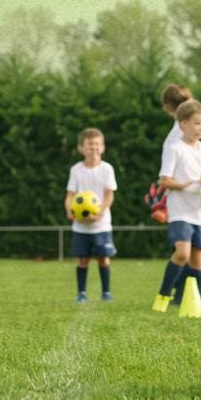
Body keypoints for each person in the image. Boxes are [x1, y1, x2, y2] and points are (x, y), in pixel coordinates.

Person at [152, 99, 201, 312]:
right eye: (197, 123)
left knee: (198, 257)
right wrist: (187, 185)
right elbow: (164, 180)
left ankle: (195, 301)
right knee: (182, 253)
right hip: (180, 210)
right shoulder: (174, 148)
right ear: (183, 124)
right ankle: (162, 296)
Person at [66, 128, 118, 302]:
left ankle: (106, 292)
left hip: (101, 224)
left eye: (97, 144)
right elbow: (70, 195)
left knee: (103, 259)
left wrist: (100, 212)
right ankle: (81, 293)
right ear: (81, 148)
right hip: (81, 225)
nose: (94, 148)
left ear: (102, 147)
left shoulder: (107, 169)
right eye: (89, 145)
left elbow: (110, 194)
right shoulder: (76, 170)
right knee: (83, 260)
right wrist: (70, 211)